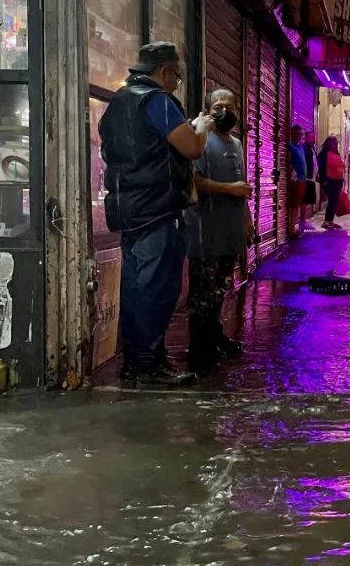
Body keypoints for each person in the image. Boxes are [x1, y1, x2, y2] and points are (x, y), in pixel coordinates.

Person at [100, 42, 213, 386]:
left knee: (136, 286)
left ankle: (137, 361)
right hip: (158, 209)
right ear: (164, 72)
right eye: (176, 76)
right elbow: (192, 147)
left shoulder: (119, 101)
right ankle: (148, 365)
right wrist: (202, 126)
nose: (177, 83)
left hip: (129, 210)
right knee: (157, 289)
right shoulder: (157, 101)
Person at [186, 88, 254, 371]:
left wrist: (248, 222)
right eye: (217, 107)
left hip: (230, 233)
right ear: (208, 111)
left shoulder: (236, 144)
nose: (224, 111)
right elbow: (194, 182)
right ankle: (200, 348)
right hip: (207, 232)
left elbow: (242, 187)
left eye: (229, 106)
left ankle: (215, 337)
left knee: (220, 290)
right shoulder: (200, 140)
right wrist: (229, 189)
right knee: (203, 294)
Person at [319, 136, 346, 230]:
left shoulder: (336, 154)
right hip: (329, 181)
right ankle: (326, 221)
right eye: (334, 143)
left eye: (336, 143)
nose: (336, 145)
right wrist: (323, 180)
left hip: (337, 182)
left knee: (334, 201)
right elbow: (321, 169)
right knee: (331, 200)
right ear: (328, 144)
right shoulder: (324, 155)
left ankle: (330, 221)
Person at [287, 125, 308, 236]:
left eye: (301, 134)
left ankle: (294, 227)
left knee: (297, 204)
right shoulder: (290, 146)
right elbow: (289, 162)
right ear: (293, 134)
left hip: (302, 180)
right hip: (295, 180)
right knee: (293, 205)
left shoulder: (300, 147)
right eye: (298, 134)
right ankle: (291, 229)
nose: (300, 136)